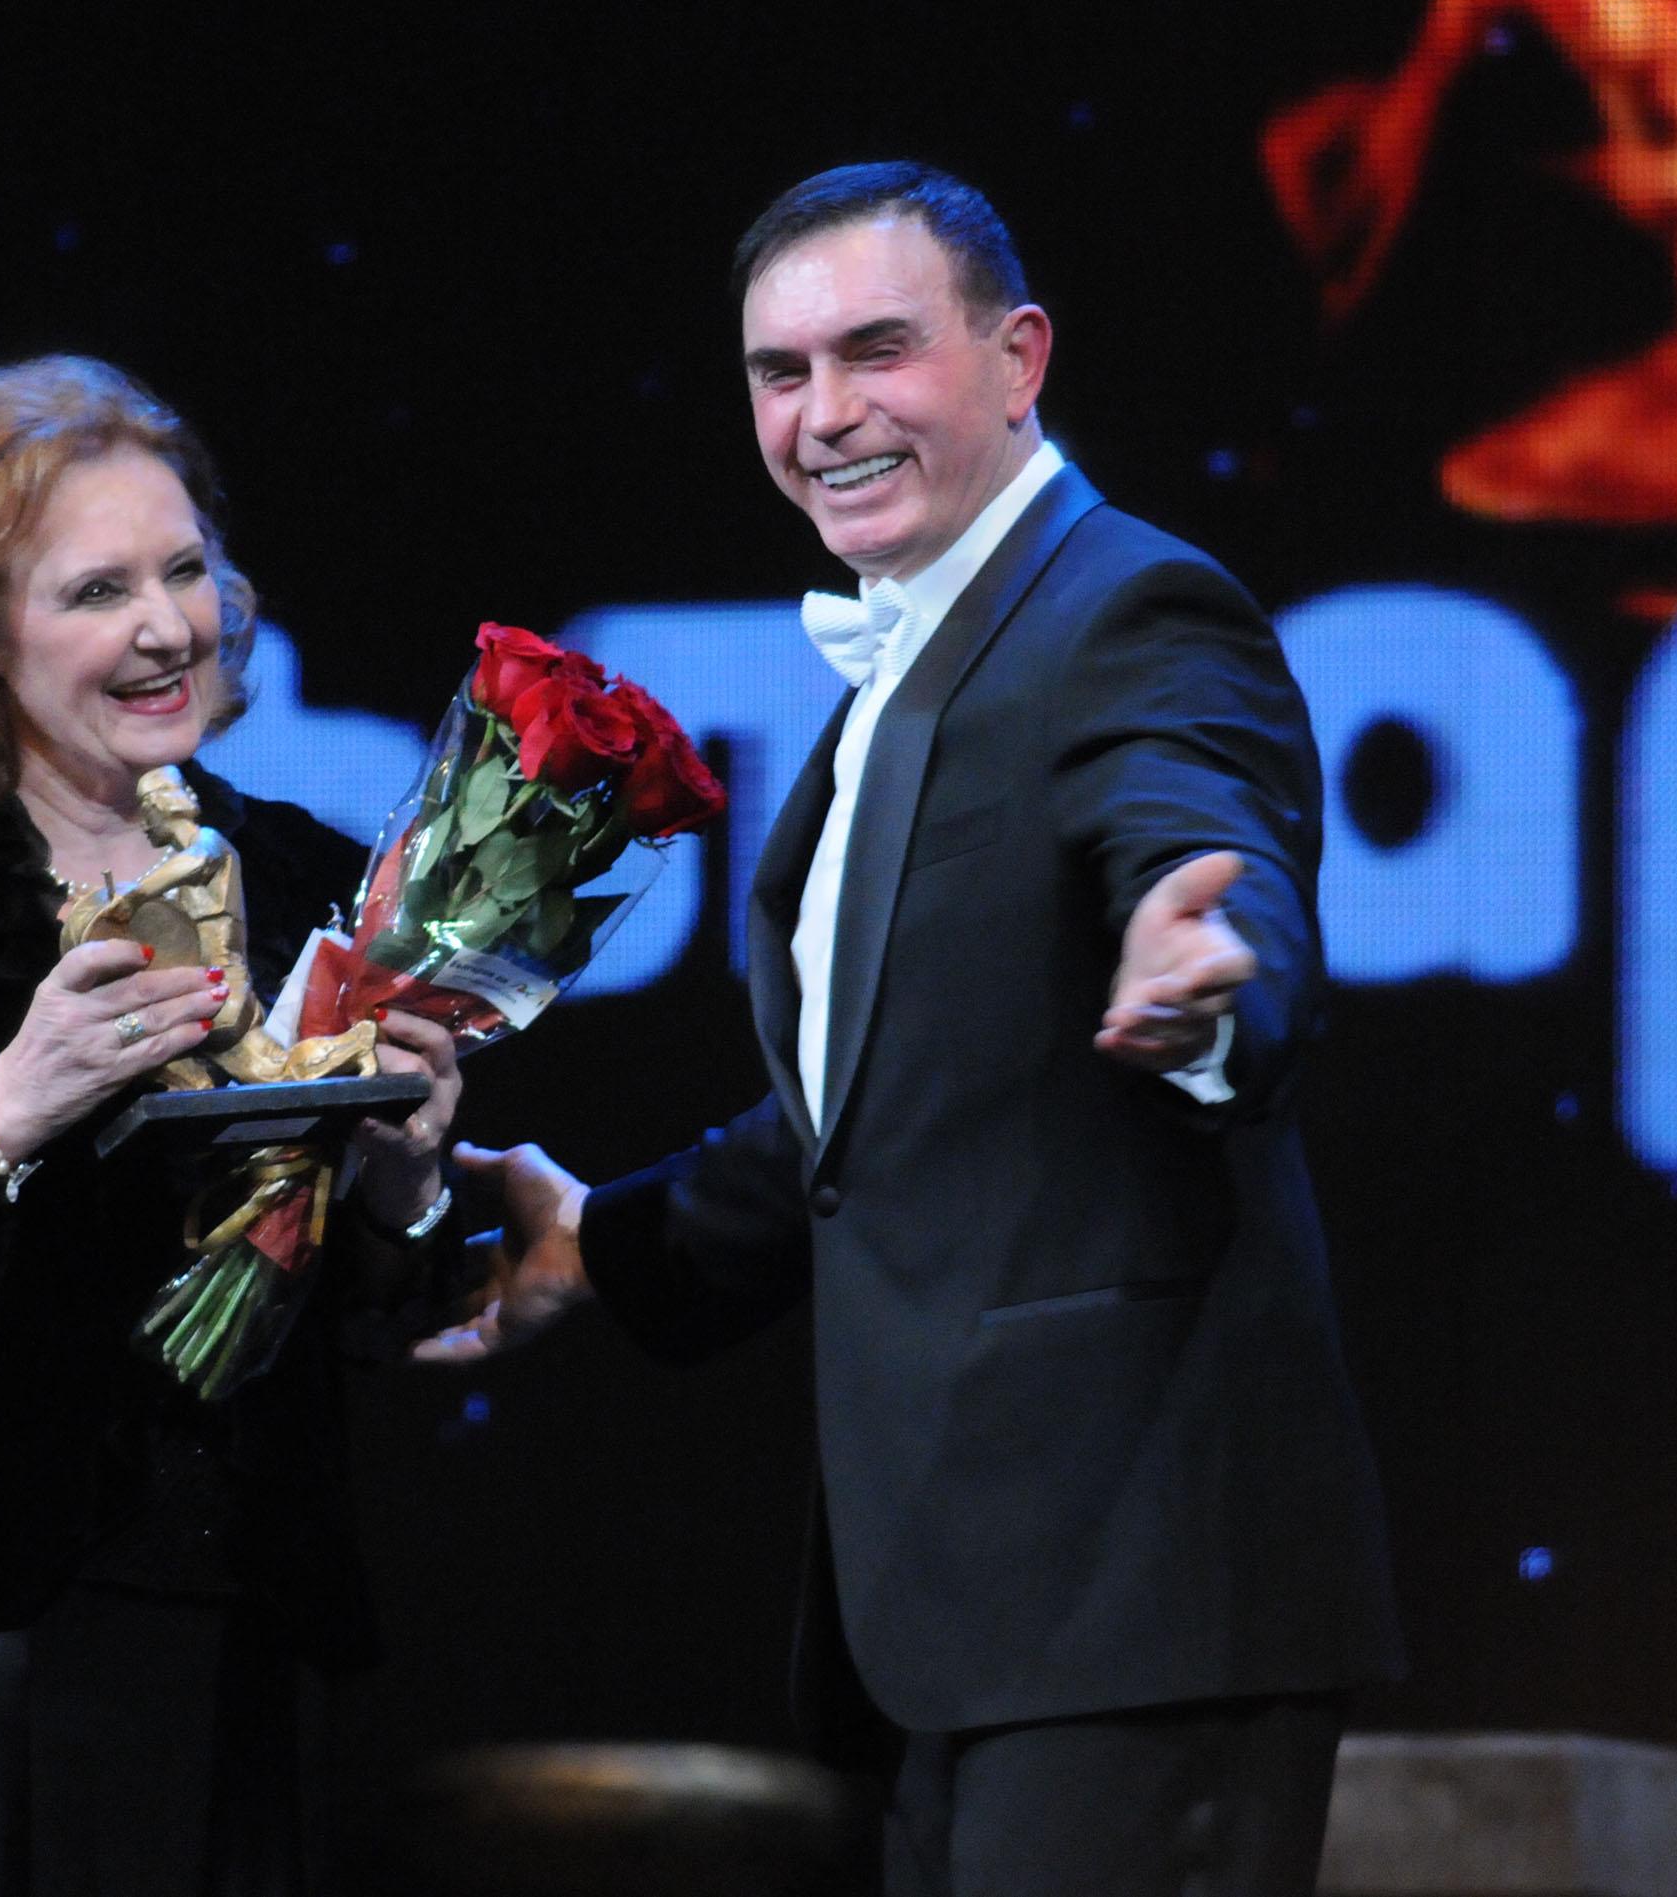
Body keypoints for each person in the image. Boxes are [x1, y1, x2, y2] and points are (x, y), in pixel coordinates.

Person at [429, 164, 1403, 1895]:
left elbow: (1202, 840)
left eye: (878, 351)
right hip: (978, 1616)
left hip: (1139, 1592)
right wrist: (603, 1246)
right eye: (780, 371)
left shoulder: (1128, 609)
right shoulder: (926, 663)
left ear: (1019, 358)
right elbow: (886, 1110)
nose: (825, 415)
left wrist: (1209, 961)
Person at [0, 355, 463, 1895]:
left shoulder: (314, 880)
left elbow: (367, 1309)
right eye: (97, 590)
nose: (167, 626)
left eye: (184, 570)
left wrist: (406, 1180)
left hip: (233, 1648)